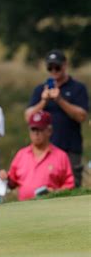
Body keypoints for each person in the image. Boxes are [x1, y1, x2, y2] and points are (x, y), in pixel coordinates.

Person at [25, 50, 88, 187]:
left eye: (57, 67)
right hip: (46, 150)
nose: (54, 71)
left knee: (72, 189)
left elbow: (81, 116)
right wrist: (43, 102)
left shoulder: (77, 88)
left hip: (70, 147)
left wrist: (59, 100)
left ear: (65, 65)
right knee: (46, 187)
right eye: (50, 68)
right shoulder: (40, 90)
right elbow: (28, 117)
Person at [0, 111, 74, 201]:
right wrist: (5, 178)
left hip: (52, 206)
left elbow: (69, 185)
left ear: (49, 131)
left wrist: (55, 192)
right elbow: (12, 183)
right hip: (24, 208)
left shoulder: (61, 156)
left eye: (40, 129)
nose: (36, 133)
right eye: (33, 129)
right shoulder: (21, 154)